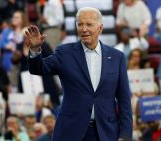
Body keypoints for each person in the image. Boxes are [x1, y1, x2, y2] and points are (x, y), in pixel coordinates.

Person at [26, 7, 132, 141]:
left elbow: (124, 101)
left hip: (106, 133)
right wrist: (35, 49)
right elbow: (38, 68)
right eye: (80, 24)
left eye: (89, 24)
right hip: (71, 132)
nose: (83, 29)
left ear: (100, 28)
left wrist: (126, 135)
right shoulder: (64, 53)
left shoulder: (117, 57)